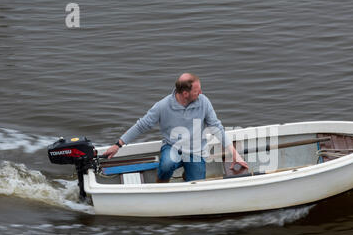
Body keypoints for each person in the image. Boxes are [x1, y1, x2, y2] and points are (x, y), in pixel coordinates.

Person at [103, 73, 248, 182]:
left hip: (196, 151)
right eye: (197, 91)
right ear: (185, 93)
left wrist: (234, 154)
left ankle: (188, 173)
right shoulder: (163, 106)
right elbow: (142, 125)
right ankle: (160, 187)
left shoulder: (204, 102)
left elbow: (216, 127)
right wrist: (118, 145)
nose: (201, 93)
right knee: (166, 165)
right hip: (172, 147)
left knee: (197, 184)